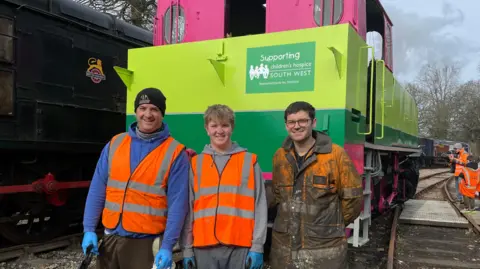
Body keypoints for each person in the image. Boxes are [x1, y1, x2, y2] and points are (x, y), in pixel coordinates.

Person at [81, 87, 190, 269]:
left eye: (154, 109)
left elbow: (178, 205)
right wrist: (89, 229)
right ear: (136, 112)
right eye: (143, 108)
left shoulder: (175, 153)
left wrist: (167, 246)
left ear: (162, 114)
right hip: (110, 240)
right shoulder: (115, 144)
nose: (148, 114)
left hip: (145, 245)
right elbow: (97, 190)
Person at [268, 101, 363, 269]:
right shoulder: (280, 157)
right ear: (286, 125)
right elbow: (277, 196)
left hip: (325, 252)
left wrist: (330, 226)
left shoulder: (335, 155)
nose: (296, 126)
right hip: (284, 250)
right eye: (291, 122)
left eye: (302, 121)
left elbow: (353, 199)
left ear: (314, 122)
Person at [180, 104, 268, 269]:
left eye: (225, 125)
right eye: (214, 125)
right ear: (207, 129)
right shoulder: (195, 164)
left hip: (240, 247)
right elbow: (188, 210)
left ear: (232, 128)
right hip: (203, 248)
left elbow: (260, 206)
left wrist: (257, 246)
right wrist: (187, 248)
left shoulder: (249, 161)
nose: (219, 131)